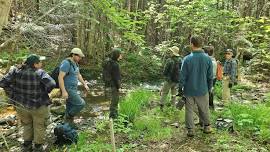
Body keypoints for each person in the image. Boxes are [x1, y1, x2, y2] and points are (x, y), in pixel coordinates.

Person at [0, 54, 56, 151]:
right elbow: (52, 84)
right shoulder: (40, 73)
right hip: (39, 105)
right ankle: (38, 146)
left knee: (26, 124)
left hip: (21, 105)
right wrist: (44, 91)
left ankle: (27, 145)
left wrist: (12, 93)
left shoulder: (15, 71)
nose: (41, 64)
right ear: (35, 64)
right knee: (40, 125)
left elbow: (2, 83)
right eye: (40, 62)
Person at [179, 35, 213, 137]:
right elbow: (210, 77)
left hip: (189, 90)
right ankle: (206, 126)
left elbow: (182, 76)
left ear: (192, 44)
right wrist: (209, 88)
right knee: (204, 109)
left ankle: (191, 130)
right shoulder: (208, 59)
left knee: (189, 110)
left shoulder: (187, 59)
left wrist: (180, 88)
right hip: (203, 89)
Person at [58, 48, 89, 126]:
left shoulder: (75, 63)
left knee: (70, 106)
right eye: (79, 56)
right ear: (73, 55)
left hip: (74, 88)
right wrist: (64, 91)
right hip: (68, 89)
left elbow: (78, 74)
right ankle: (68, 116)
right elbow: (60, 77)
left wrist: (84, 84)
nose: (80, 58)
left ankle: (67, 125)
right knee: (81, 103)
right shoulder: (66, 63)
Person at [160, 46, 182, 110]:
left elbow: (165, 71)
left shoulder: (169, 60)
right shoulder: (181, 60)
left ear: (173, 52)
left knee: (164, 93)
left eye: (171, 52)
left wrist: (165, 76)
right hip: (176, 80)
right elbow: (182, 70)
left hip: (168, 80)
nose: (170, 53)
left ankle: (161, 106)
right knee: (174, 94)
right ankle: (173, 107)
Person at [103, 48, 122, 119]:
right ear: (117, 55)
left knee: (111, 102)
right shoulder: (115, 65)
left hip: (107, 85)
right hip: (113, 86)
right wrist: (119, 87)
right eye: (120, 54)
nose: (121, 56)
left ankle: (111, 118)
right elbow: (117, 78)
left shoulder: (106, 62)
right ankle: (113, 118)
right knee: (114, 102)